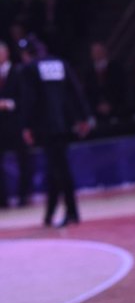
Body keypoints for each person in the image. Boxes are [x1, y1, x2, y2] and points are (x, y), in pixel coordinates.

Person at [17, 35, 94, 227]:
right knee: (55, 168)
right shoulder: (60, 63)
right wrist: (84, 117)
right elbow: (76, 90)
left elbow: (29, 100)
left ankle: (72, 212)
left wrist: (26, 126)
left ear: (26, 54)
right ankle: (49, 214)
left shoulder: (30, 68)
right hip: (65, 124)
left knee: (60, 169)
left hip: (46, 127)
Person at [0, 40, 32, 208]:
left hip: (17, 123)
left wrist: (8, 104)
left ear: (6, 54)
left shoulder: (18, 71)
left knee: (23, 160)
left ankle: (24, 196)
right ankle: (2, 199)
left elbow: (26, 97)